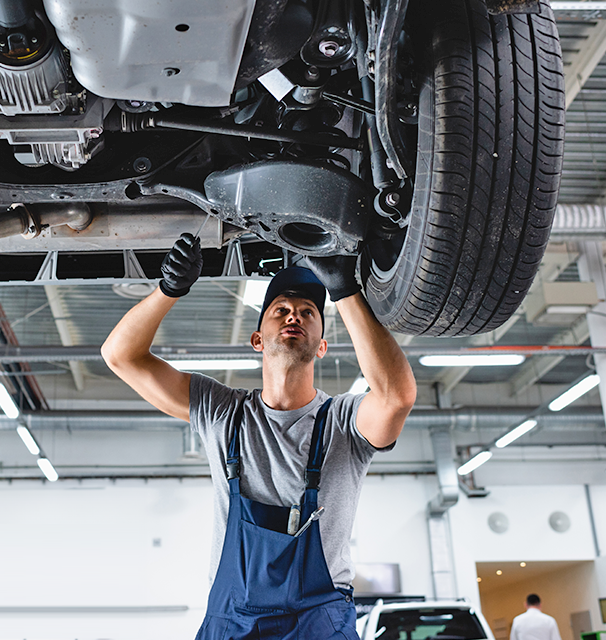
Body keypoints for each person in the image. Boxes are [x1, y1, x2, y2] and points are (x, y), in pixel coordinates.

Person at [101, 233, 417, 640]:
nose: (294, 316)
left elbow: (397, 397)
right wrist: (168, 289)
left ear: (322, 346)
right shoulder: (223, 413)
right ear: (257, 340)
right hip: (232, 621)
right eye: (280, 309)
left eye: (307, 311)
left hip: (319, 623)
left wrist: (344, 291)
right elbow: (120, 356)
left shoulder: (343, 422)